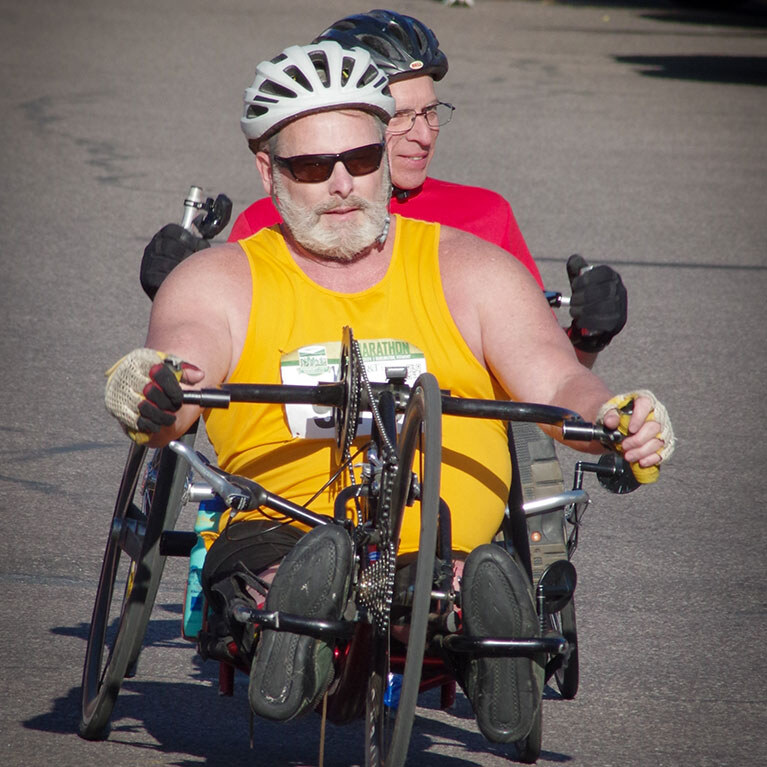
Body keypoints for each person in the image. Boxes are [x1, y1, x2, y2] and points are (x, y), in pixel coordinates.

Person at [105, 40, 673, 743]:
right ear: (267, 169)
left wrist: (609, 416)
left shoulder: (473, 268)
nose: (342, 184)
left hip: (441, 541)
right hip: (280, 523)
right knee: (292, 558)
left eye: (362, 159)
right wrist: (153, 389)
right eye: (313, 166)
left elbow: (557, 380)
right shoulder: (219, 278)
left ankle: (484, 620)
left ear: (384, 155)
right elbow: (181, 367)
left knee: (453, 572)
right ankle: (290, 614)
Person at [140, 10, 627, 367]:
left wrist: (585, 339)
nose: (424, 134)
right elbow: (218, 357)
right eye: (401, 117)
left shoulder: (485, 214)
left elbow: (538, 370)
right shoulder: (270, 221)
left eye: (432, 112)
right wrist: (178, 292)